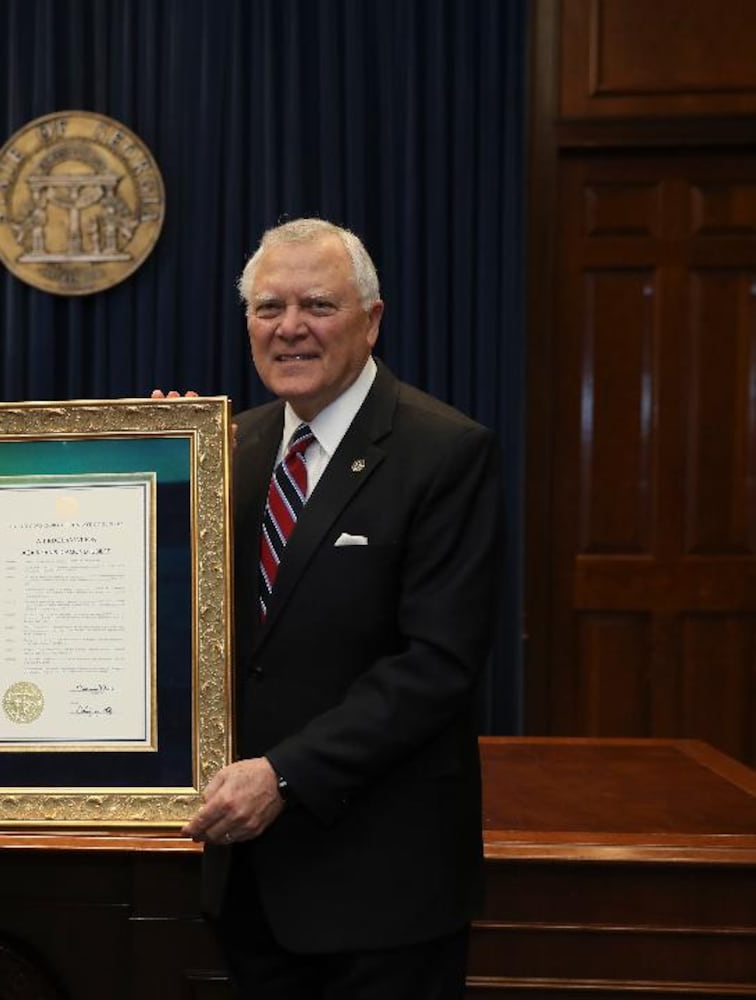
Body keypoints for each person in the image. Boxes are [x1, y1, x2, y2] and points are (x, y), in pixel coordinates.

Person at [179, 218, 504, 998]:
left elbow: (438, 665)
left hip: (382, 887)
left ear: (373, 317)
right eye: (267, 307)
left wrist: (284, 776)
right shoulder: (222, 447)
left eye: (318, 305)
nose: (289, 328)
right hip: (250, 883)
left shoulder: (445, 451)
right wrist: (155, 451)